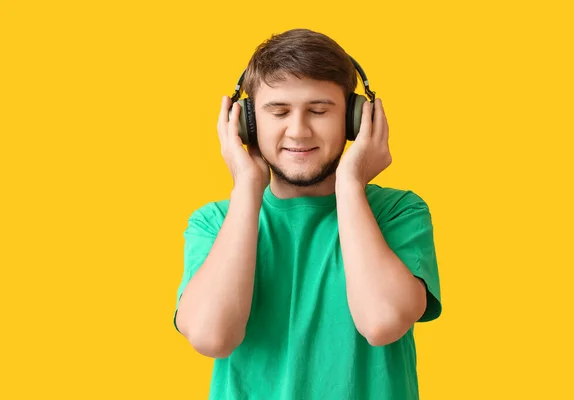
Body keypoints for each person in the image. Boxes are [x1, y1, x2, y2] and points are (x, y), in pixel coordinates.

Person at [173, 28, 442, 400]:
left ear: (357, 120)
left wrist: (350, 182)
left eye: (319, 111)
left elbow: (382, 322)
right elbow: (211, 336)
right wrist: (248, 188)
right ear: (245, 123)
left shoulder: (398, 213)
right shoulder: (215, 223)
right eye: (278, 111)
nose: (298, 131)